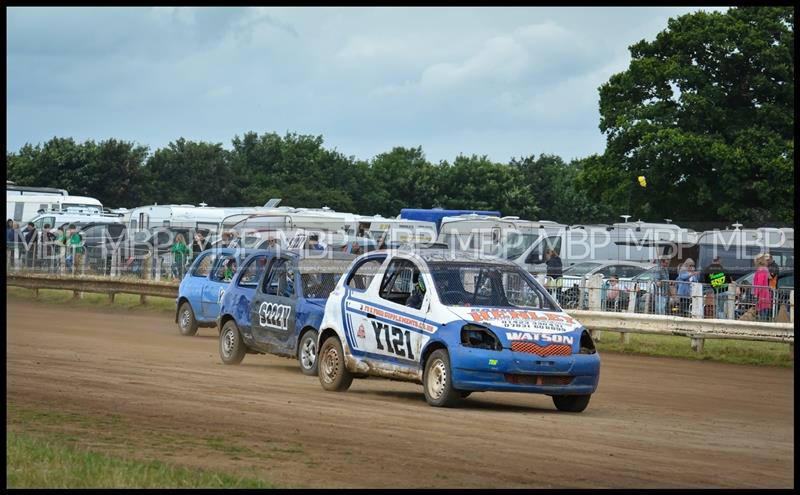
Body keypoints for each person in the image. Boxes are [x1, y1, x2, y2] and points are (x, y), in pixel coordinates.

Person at [752, 253, 772, 321]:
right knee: (764, 313)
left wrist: (755, 294)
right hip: (765, 294)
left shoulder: (761, 270)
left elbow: (759, 284)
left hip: (761, 295)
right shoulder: (765, 269)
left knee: (762, 315)